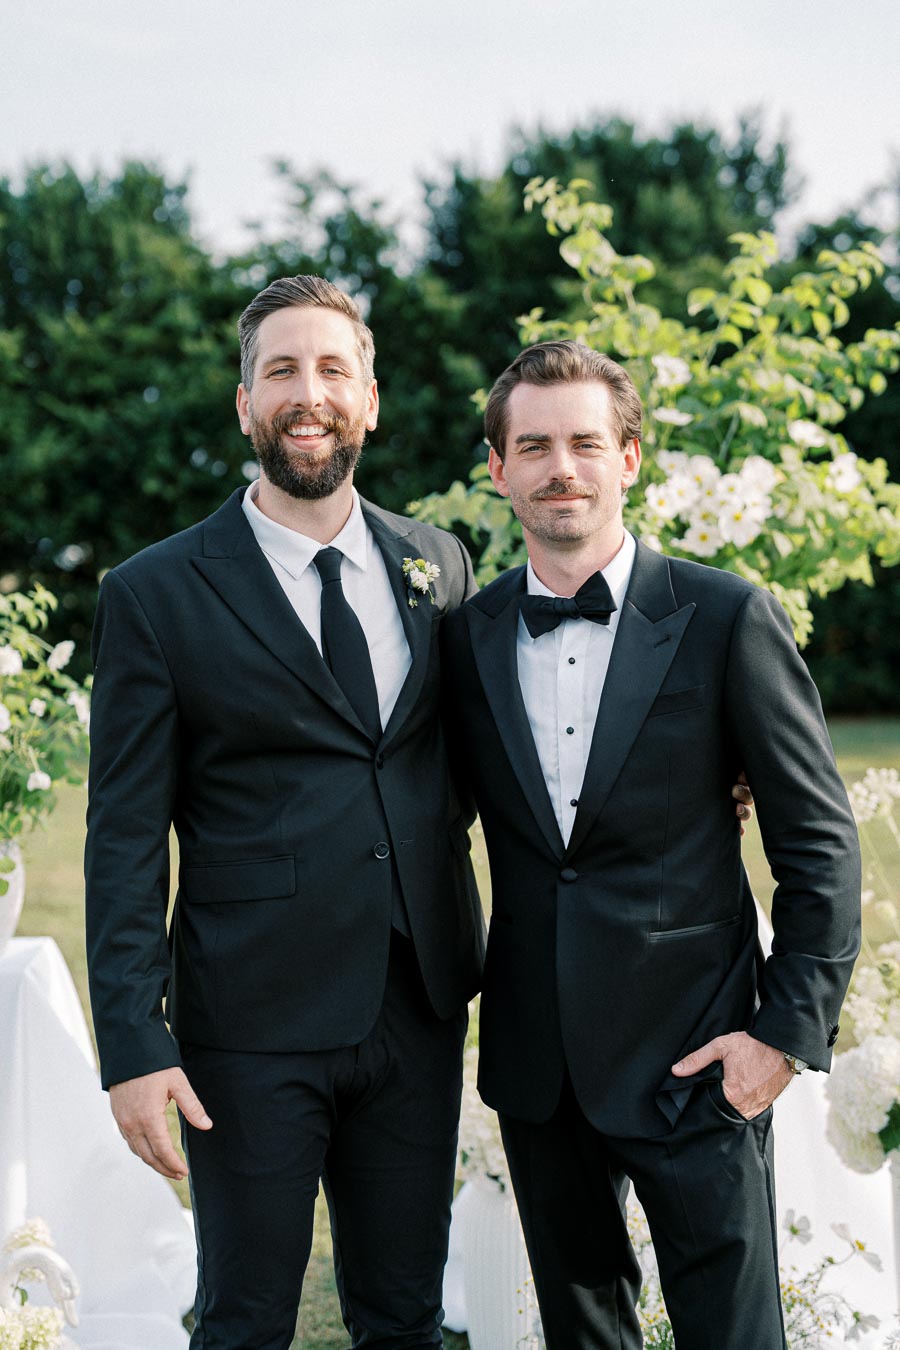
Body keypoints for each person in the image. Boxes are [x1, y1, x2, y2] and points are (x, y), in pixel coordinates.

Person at [84, 275, 485, 1350]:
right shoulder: (155, 592)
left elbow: (490, 757)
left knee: (405, 1316)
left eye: (331, 370)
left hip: (418, 1006)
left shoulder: (439, 564)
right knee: (245, 1319)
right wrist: (130, 1040)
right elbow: (123, 834)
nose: (308, 395)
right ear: (245, 403)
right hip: (247, 1020)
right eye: (282, 372)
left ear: (369, 400)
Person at [440, 340, 861, 1349]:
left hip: (702, 1058)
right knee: (583, 1337)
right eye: (532, 445)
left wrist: (783, 1036)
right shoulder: (466, 637)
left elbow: (819, 842)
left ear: (630, 457)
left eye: (586, 441)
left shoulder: (727, 618)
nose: (560, 468)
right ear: (498, 469)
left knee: (735, 1334)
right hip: (541, 1068)